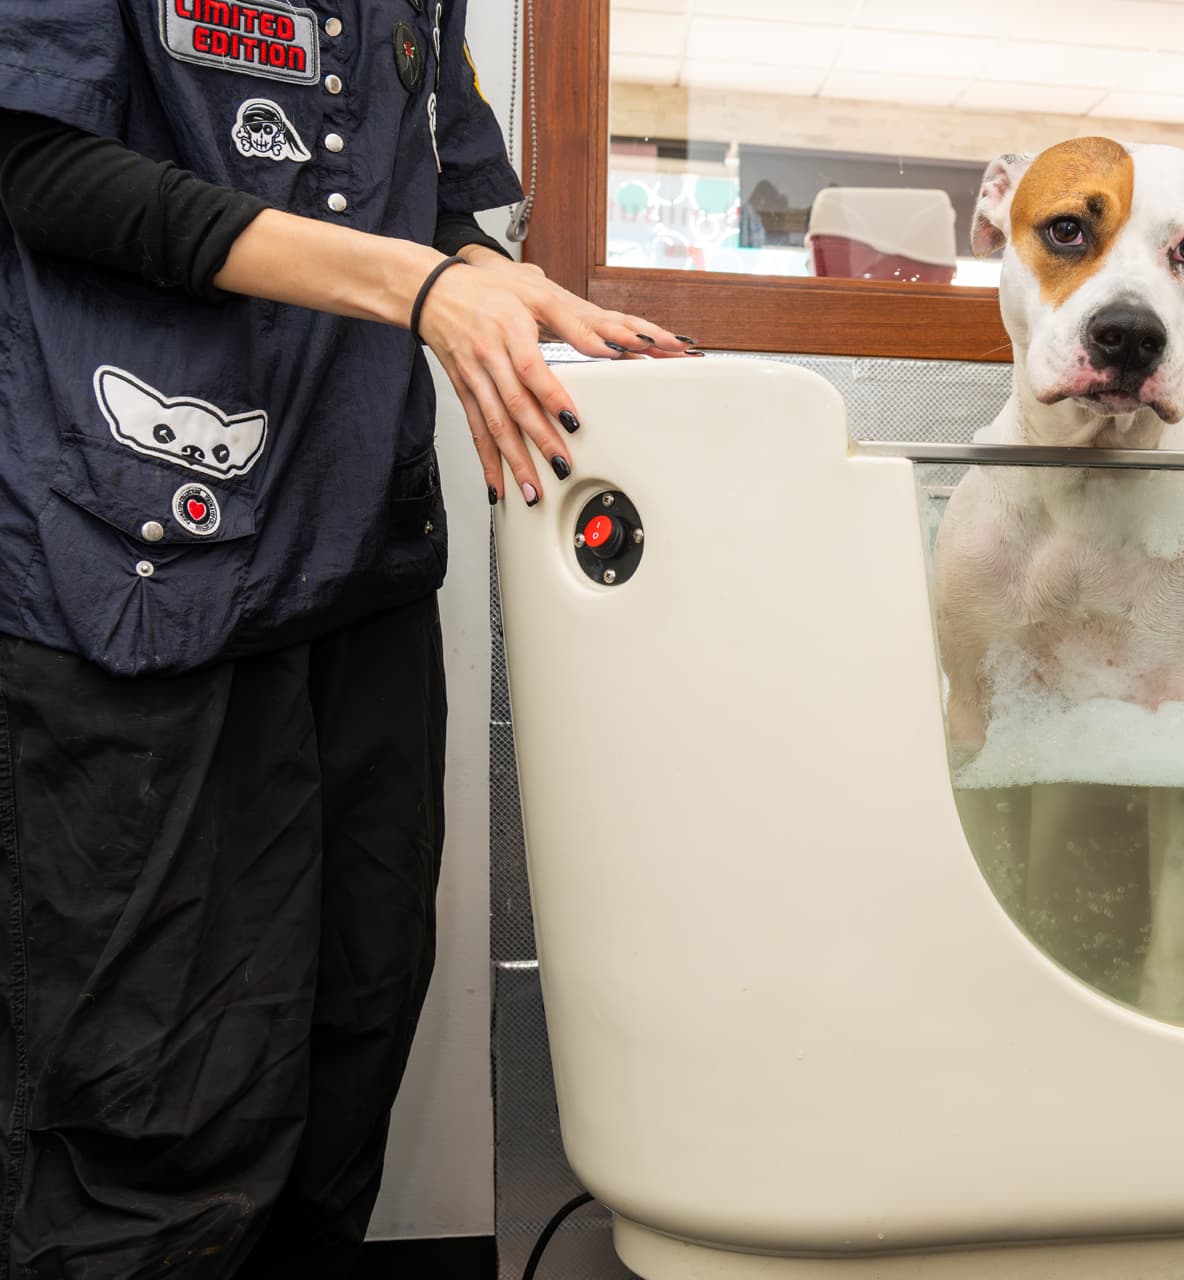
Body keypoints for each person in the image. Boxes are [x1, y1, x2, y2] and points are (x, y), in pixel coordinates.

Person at [0, 3, 683, 1274]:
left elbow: (437, 201)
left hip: (355, 562)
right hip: (133, 572)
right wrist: (412, 286)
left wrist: (488, 277)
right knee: (155, 1119)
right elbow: (41, 167)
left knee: (348, 1046)